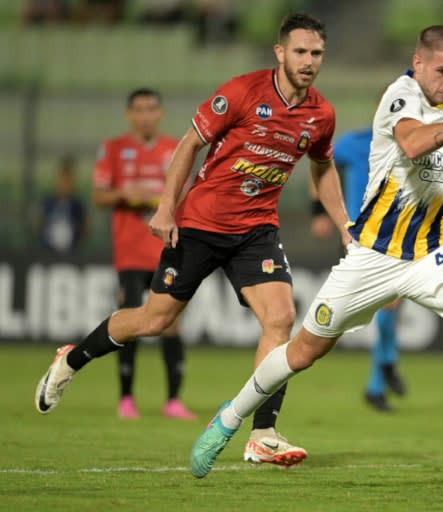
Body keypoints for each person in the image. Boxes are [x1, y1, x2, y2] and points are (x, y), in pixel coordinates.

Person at [188, 24, 443, 480]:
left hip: (429, 255)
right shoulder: (401, 96)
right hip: (371, 259)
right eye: (442, 71)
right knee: (303, 352)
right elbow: (413, 142)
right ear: (419, 62)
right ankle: (228, 419)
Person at [34, 12, 351, 468]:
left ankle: (262, 433)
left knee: (280, 320)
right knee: (153, 320)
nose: (308, 61)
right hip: (200, 224)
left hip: (257, 230)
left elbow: (322, 168)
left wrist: (341, 222)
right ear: (279, 52)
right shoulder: (242, 92)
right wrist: (166, 206)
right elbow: (189, 143)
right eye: (299, 51)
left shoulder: (321, 114)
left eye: (316, 53)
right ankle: (72, 359)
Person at [91, 87, 195, 420]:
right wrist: (125, 192)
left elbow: (189, 194)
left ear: (160, 113)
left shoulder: (174, 150)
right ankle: (126, 399)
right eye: (139, 109)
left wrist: (161, 199)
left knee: (171, 324)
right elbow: (98, 196)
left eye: (152, 108)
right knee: (130, 319)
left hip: (167, 249)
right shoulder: (113, 149)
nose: (146, 115)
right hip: (130, 251)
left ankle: (173, 400)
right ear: (129, 115)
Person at [310, 123, 407, 413]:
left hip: (399, 234)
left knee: (393, 302)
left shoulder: (414, 142)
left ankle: (386, 364)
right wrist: (318, 210)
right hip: (360, 235)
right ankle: (379, 378)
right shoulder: (355, 143)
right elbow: (317, 162)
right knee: (385, 303)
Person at [39, 155, 88, 254]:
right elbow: (40, 223)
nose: (65, 185)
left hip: (72, 252)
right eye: (62, 180)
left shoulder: (77, 205)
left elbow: (85, 227)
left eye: (68, 181)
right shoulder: (48, 202)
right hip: (48, 252)